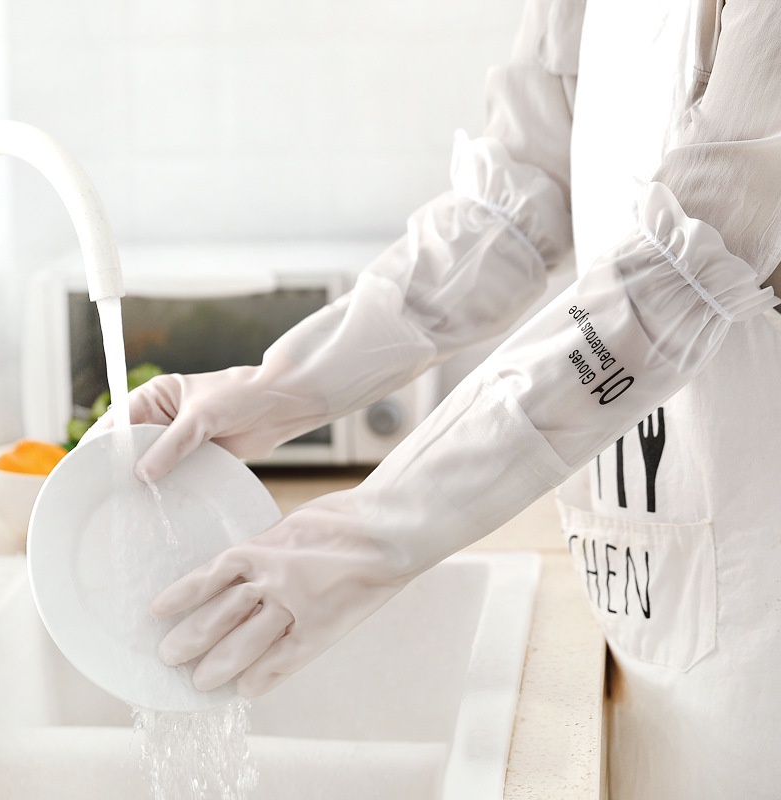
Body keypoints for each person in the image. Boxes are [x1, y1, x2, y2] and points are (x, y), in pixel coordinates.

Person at [101, 1, 781, 797]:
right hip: (645, 577)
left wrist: (369, 532)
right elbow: (513, 211)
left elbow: (673, 285)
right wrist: (280, 384)